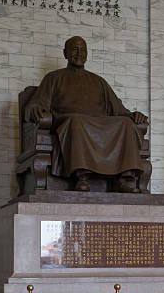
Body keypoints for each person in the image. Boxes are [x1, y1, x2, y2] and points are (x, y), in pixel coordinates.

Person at [24, 36, 148, 192]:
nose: (79, 53)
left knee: (126, 124)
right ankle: (82, 176)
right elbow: (36, 103)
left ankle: (124, 178)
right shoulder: (53, 78)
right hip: (69, 121)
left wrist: (133, 115)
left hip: (99, 123)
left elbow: (118, 109)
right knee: (77, 120)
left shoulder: (98, 81)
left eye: (83, 50)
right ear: (65, 53)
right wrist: (35, 108)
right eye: (75, 49)